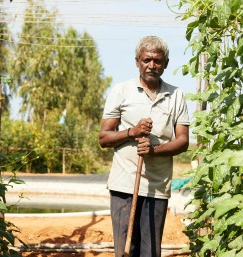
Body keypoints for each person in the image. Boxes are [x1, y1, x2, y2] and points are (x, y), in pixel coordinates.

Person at [98, 36, 190, 257]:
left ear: (166, 63)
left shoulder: (176, 95)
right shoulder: (121, 91)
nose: (152, 65)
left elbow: (183, 141)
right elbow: (103, 138)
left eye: (157, 61)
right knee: (125, 250)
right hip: (125, 184)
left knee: (151, 252)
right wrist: (132, 132)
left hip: (157, 187)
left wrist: (153, 151)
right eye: (146, 60)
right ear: (137, 62)